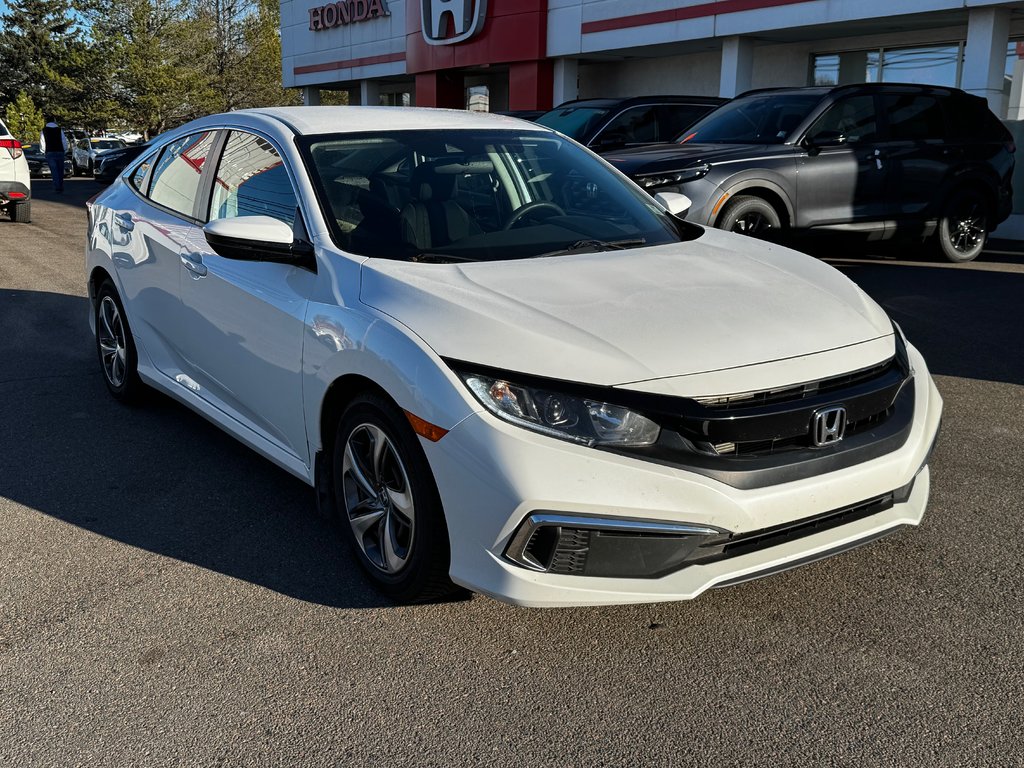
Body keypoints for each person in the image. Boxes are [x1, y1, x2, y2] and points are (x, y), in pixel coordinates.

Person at [39, 117, 69, 193]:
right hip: (60, 151)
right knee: (60, 169)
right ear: (54, 121)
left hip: (50, 151)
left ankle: (57, 186)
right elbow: (64, 140)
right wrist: (65, 149)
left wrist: (43, 151)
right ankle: (61, 185)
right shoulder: (59, 130)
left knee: (54, 170)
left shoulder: (44, 130)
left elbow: (42, 142)